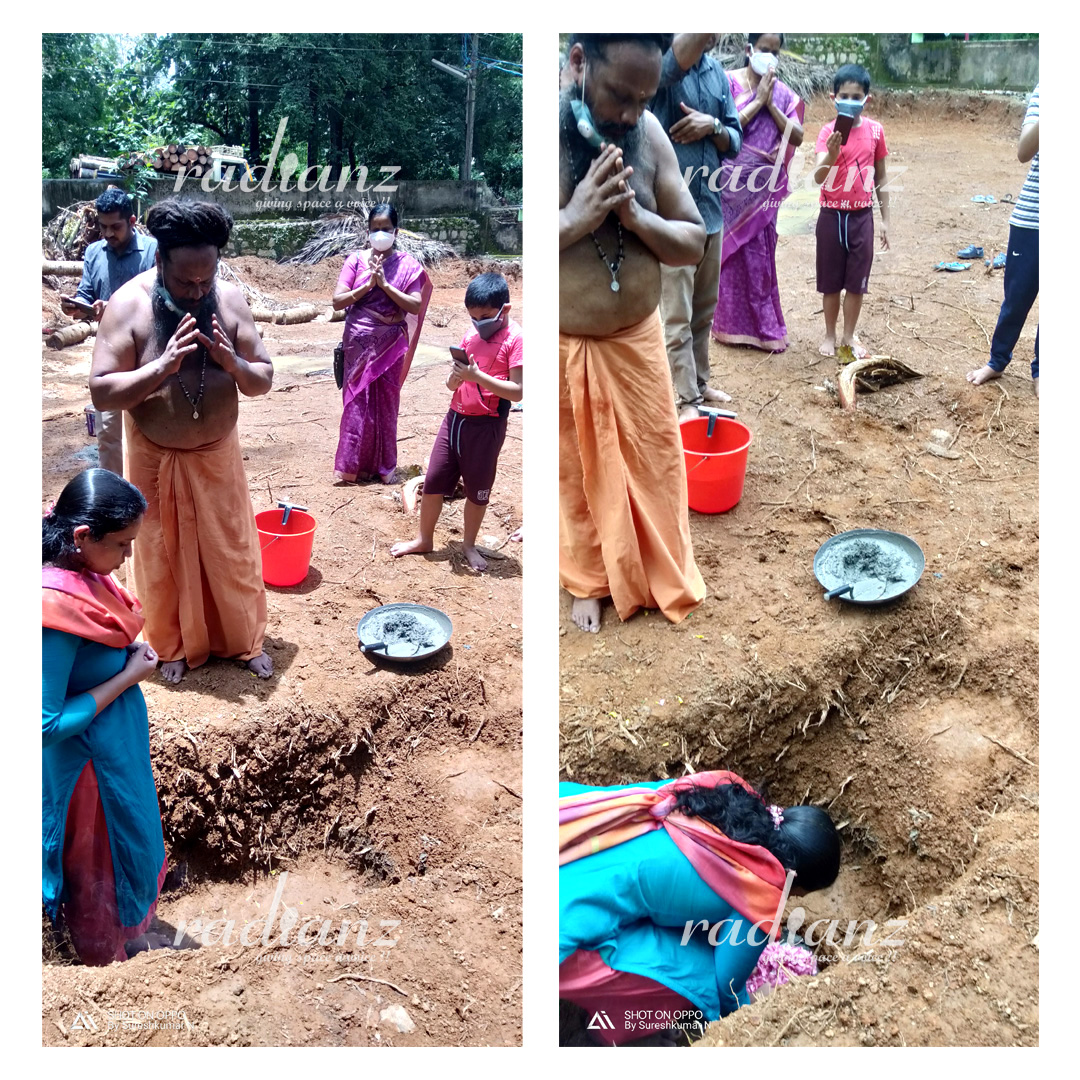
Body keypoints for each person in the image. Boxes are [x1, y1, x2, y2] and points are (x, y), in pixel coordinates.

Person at [89, 198, 274, 685]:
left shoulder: (230, 300)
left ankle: (241, 641)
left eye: (205, 280)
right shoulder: (127, 305)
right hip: (153, 456)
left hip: (217, 457)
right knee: (160, 553)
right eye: (185, 281)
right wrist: (161, 367)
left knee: (231, 550)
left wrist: (234, 365)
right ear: (160, 261)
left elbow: (263, 378)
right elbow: (101, 391)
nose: (197, 291)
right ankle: (168, 644)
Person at [559, 33, 707, 634]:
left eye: (643, 99)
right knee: (576, 474)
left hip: (638, 341)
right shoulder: (543, 136)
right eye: (620, 94)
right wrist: (574, 216)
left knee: (655, 461)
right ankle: (588, 579)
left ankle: (657, 566)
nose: (629, 113)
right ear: (578, 64)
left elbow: (692, 241)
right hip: (567, 344)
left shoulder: (649, 137)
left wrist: (635, 216)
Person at [559, 771, 840, 1045]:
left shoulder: (729, 796)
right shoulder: (762, 894)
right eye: (801, 893)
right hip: (570, 919)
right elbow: (727, 987)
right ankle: (622, 1033)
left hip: (580, 839)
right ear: (796, 878)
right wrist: (749, 1017)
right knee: (700, 977)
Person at [42, 469, 169, 965]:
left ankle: (134, 934)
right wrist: (126, 676)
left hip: (116, 746)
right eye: (121, 545)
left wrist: (123, 659)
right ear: (81, 536)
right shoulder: (53, 614)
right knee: (106, 859)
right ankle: (108, 956)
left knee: (130, 841)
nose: (127, 557)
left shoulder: (82, 569)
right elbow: (44, 724)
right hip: (90, 769)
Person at [391, 272, 522, 572]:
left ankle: (468, 544)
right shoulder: (470, 337)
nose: (479, 323)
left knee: (477, 490)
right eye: (473, 317)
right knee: (435, 480)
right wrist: (454, 379)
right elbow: (455, 385)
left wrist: (477, 377)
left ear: (506, 309)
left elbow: (518, 392)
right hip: (455, 420)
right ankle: (424, 539)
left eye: (486, 316)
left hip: (486, 426)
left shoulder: (516, 340)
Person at [650, 34, 742, 419]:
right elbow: (670, 67)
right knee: (677, 316)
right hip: (673, 218)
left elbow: (735, 139)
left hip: (712, 213)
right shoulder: (662, 68)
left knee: (704, 310)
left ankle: (700, 386)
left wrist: (713, 126)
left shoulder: (718, 73)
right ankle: (687, 402)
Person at [712, 34, 805, 353]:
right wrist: (756, 102)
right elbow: (722, 130)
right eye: (765, 49)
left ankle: (764, 328)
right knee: (730, 257)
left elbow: (798, 136)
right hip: (729, 187)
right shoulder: (726, 83)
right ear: (749, 50)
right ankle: (727, 328)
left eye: (775, 51)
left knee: (761, 258)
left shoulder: (783, 95)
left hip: (765, 192)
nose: (770, 56)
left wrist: (770, 105)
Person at [331, 204, 432, 484]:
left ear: (396, 231)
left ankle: (384, 467)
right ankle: (352, 467)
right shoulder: (355, 261)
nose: (380, 234)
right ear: (368, 231)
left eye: (386, 229)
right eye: (375, 229)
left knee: (387, 402)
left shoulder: (407, 264)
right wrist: (366, 286)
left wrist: (386, 285)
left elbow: (415, 303)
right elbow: (337, 301)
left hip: (390, 343)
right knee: (357, 403)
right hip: (359, 341)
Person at [61, 188, 159, 476]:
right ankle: (115, 499)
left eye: (115, 227)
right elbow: (87, 294)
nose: (107, 233)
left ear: (131, 221)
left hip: (147, 352)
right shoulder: (93, 253)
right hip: (109, 354)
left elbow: (161, 300)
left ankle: (150, 496)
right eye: (103, 227)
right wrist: (78, 307)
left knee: (148, 428)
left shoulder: (153, 251)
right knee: (108, 434)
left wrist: (114, 306)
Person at [812, 63, 890, 359]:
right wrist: (832, 154)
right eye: (844, 95)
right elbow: (819, 177)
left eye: (856, 96)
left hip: (861, 217)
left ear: (866, 99)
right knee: (830, 282)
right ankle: (830, 334)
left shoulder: (875, 132)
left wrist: (885, 221)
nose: (850, 101)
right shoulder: (827, 132)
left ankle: (848, 336)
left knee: (857, 283)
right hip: (832, 216)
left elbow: (881, 178)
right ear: (834, 97)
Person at [967, 82, 1039, 396]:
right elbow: (1024, 151)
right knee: (1016, 298)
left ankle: (1043, 372)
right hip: (1033, 218)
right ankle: (997, 361)